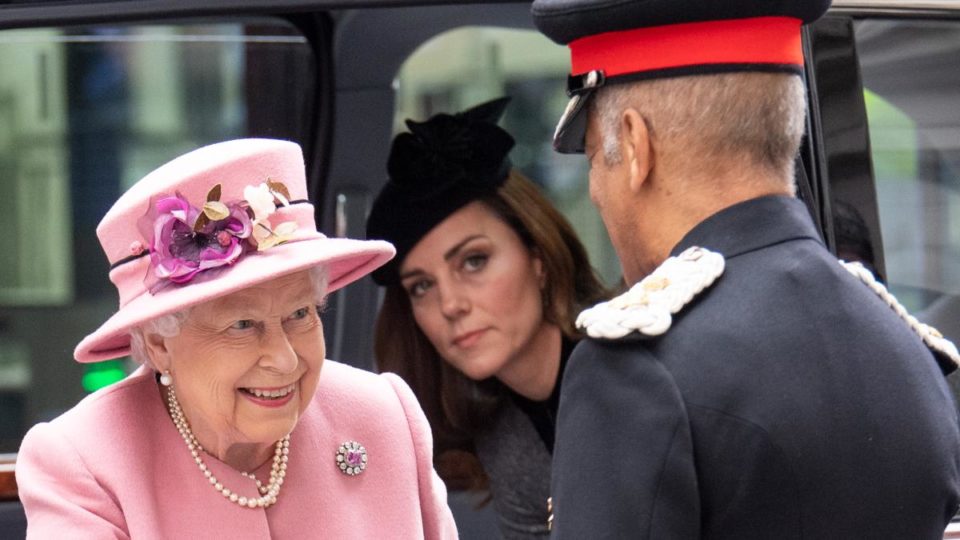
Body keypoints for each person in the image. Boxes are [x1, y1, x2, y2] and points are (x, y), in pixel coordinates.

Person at [529, 0, 960, 537]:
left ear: (637, 147)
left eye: (595, 157)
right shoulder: (907, 352)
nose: (595, 191)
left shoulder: (635, 375)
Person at [15, 139, 457, 539]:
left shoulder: (383, 416)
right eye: (242, 325)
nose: (285, 361)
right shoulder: (83, 461)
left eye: (300, 313)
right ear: (160, 345)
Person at [365, 97, 608, 538]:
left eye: (473, 261)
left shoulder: (632, 378)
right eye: (422, 285)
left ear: (538, 257)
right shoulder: (506, 438)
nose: (450, 304)